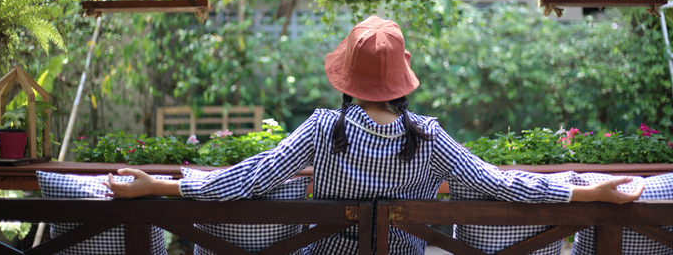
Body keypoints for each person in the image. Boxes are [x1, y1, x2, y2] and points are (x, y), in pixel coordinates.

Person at [106, 16, 643, 254]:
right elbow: (503, 185)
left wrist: (153, 184)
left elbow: (240, 181)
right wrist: (588, 191)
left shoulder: (323, 130)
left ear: (347, 77)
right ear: (400, 80)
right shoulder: (429, 138)